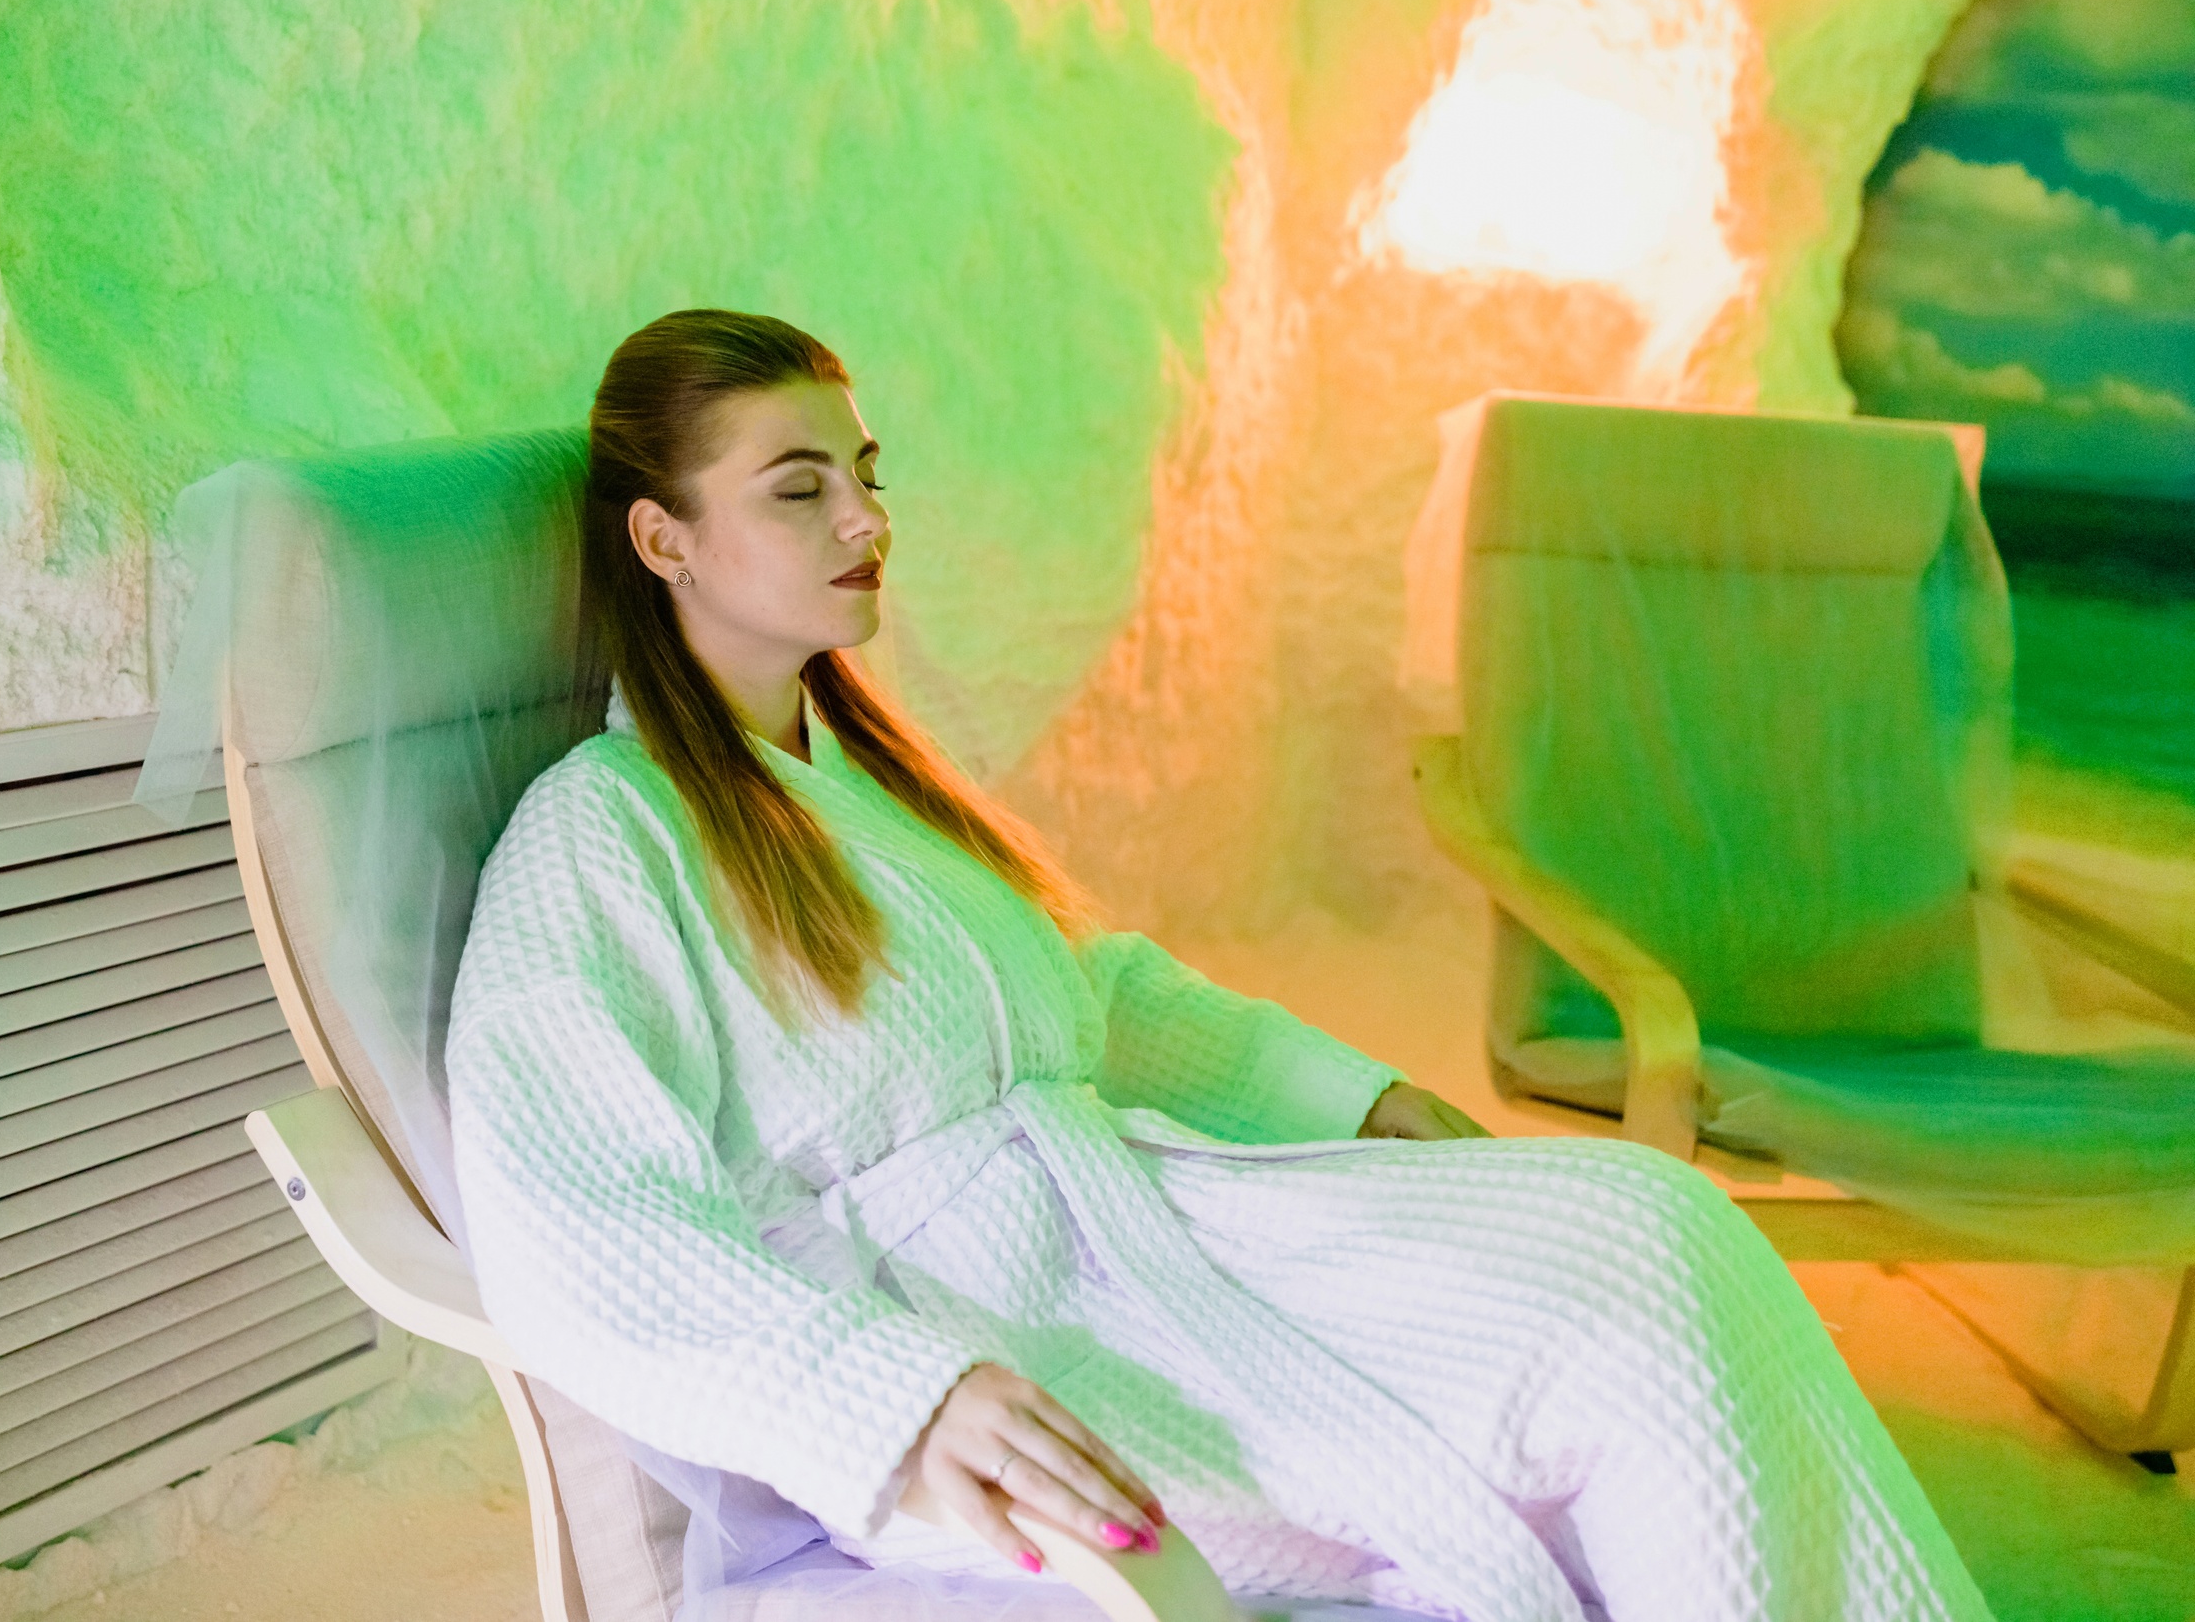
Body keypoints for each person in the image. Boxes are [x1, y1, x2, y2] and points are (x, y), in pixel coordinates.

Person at [443, 309, 1993, 1621]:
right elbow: (577, 1225)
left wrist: (1352, 1096)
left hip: (1146, 1235)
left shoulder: (862, 780)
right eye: (800, 490)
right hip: (1008, 1351)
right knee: (1589, 1361)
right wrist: (888, 1394)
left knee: (1650, 1222)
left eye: (866, 474)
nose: (866, 521)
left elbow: (1087, 998)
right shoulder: (600, 840)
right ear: (663, 538)